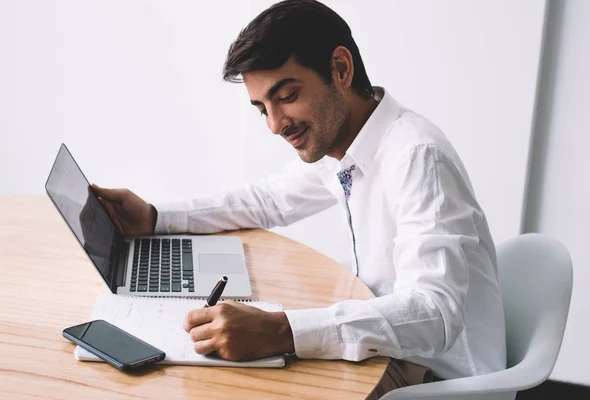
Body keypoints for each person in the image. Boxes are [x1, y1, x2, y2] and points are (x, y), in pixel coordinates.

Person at [92, 0, 506, 397]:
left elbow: (434, 314)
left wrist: (280, 330)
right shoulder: (345, 146)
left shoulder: (416, 156)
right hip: (387, 348)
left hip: (433, 376)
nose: (275, 125)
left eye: (287, 96)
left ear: (340, 69)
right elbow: (268, 200)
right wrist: (153, 215)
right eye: (261, 108)